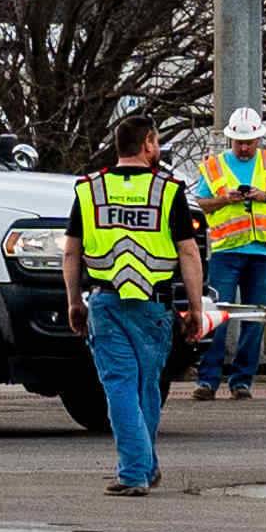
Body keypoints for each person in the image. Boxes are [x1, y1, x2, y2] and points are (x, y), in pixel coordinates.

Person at [73, 116, 193, 497]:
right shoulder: (169, 191)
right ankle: (141, 468)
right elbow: (188, 251)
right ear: (149, 143)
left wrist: (73, 299)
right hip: (154, 307)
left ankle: (138, 470)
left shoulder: (90, 190)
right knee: (146, 386)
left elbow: (71, 251)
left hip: (105, 301)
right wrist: (196, 308)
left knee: (120, 386)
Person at [200, 107, 266, 398]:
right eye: (238, 142)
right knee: (217, 315)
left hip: (262, 250)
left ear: (258, 140)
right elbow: (201, 203)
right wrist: (224, 200)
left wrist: (264, 196)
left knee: (255, 317)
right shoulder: (213, 167)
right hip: (226, 249)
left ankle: (242, 382)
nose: (243, 147)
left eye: (248, 143)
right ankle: (208, 380)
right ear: (230, 140)